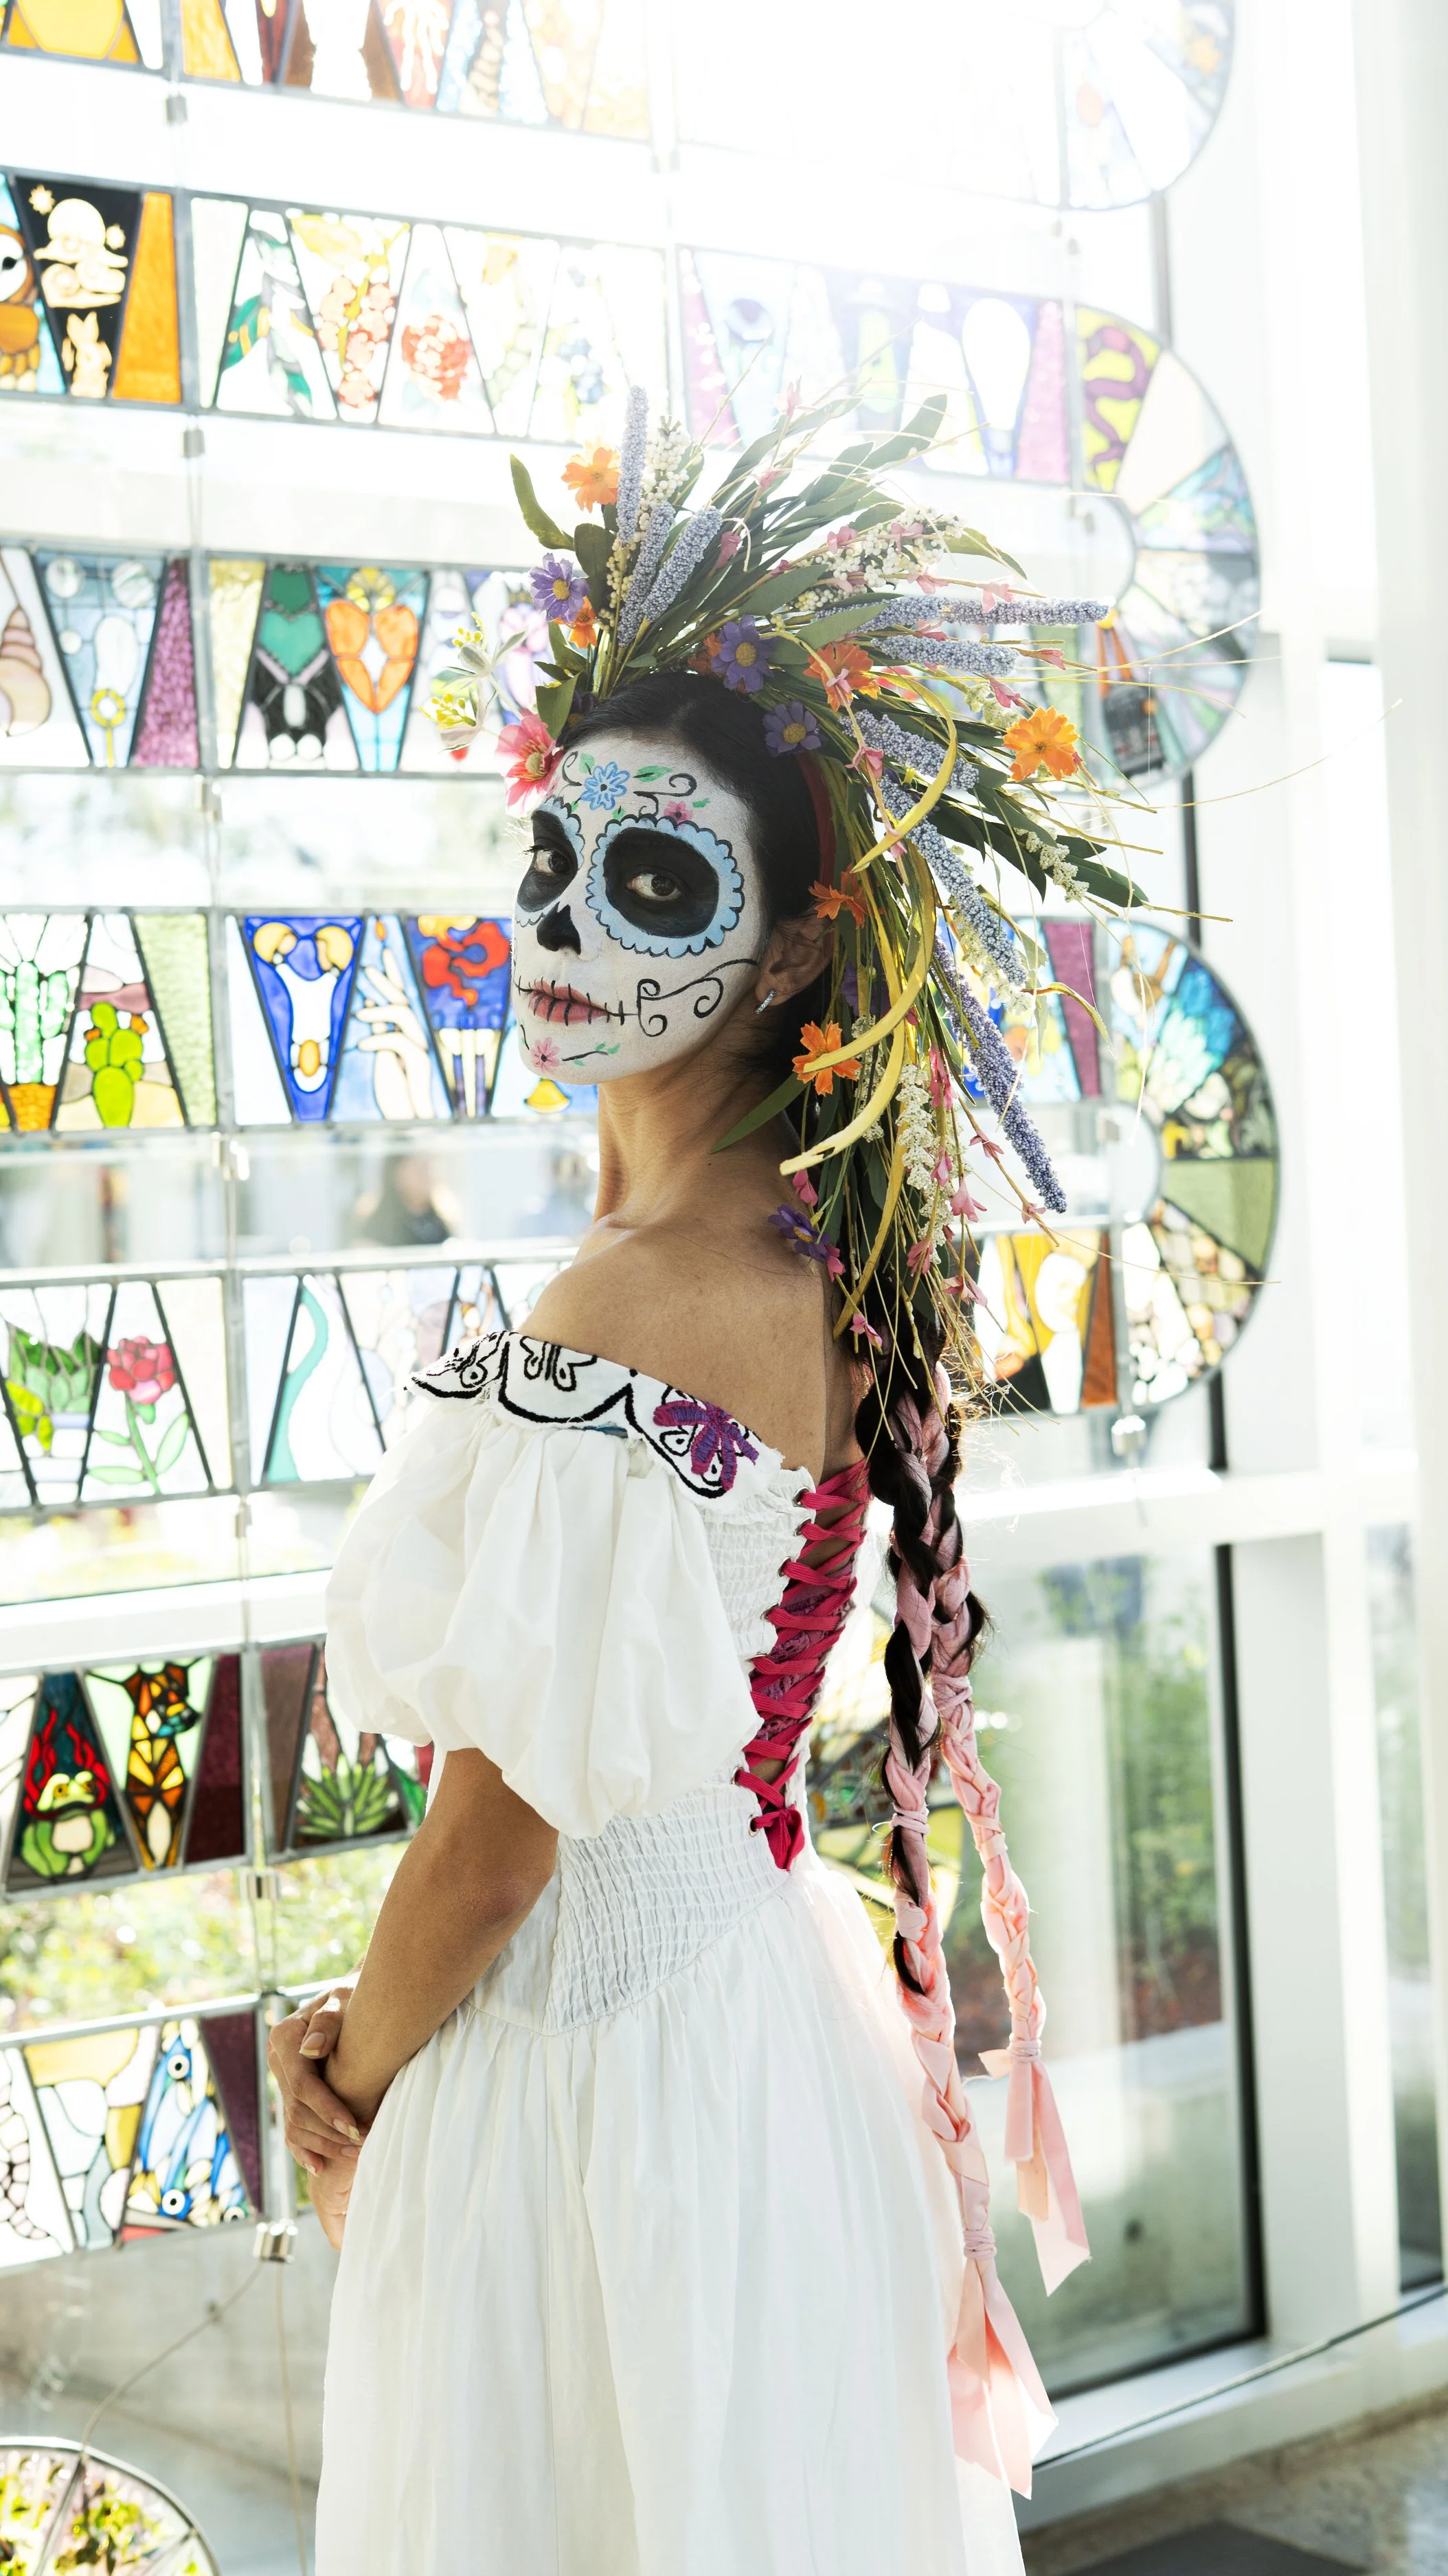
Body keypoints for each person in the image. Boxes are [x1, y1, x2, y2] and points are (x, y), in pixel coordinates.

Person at [269, 386, 1127, 2571]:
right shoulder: (801, 1251)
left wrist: (349, 2080)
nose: (566, 916)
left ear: (801, 944)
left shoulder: (633, 1308)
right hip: (754, 2042)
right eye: (548, 853)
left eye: (653, 873)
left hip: (595, 2093)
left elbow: (501, 1832)